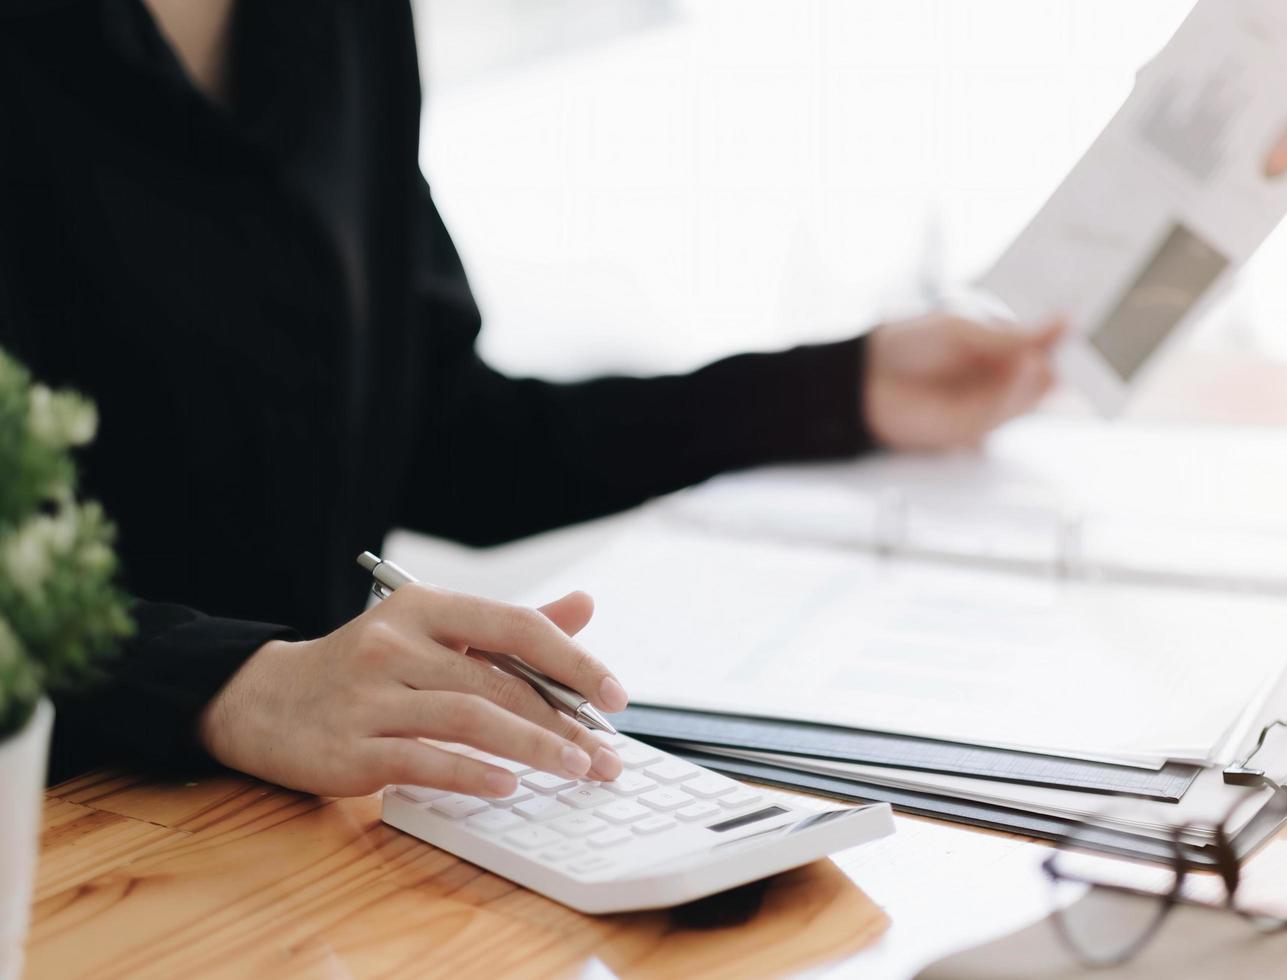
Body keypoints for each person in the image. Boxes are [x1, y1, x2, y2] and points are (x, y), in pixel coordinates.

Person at [0, 0, 1059, 796]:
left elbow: (444, 438)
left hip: (313, 836)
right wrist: (234, 682)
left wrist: (838, 388)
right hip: (69, 845)